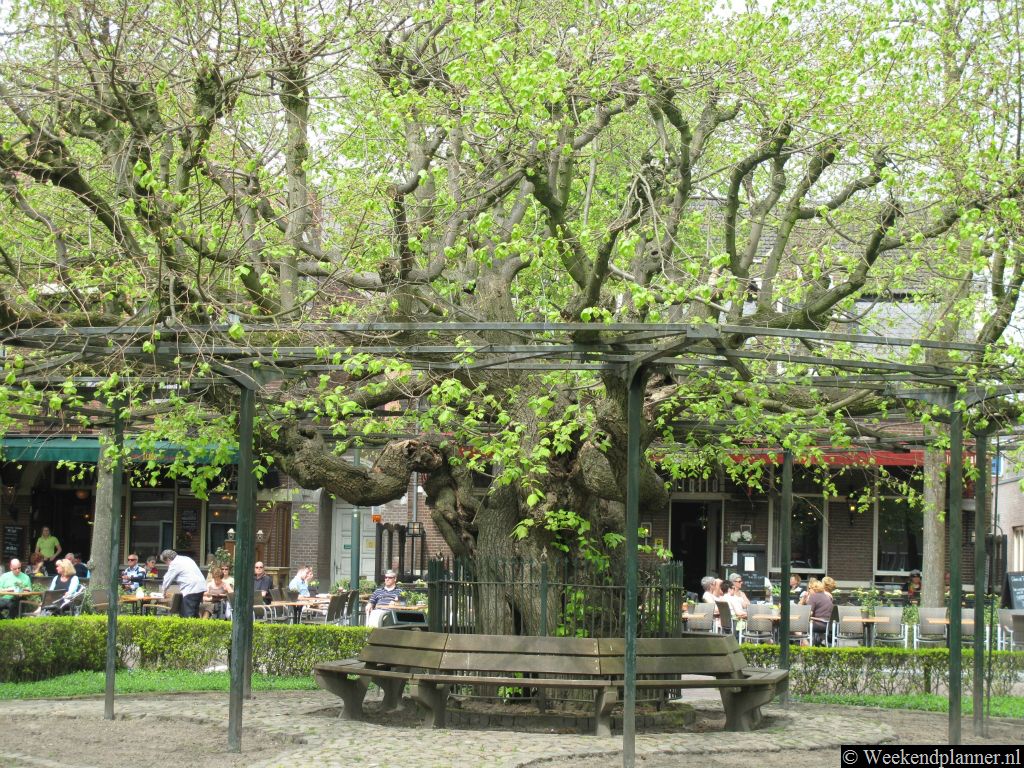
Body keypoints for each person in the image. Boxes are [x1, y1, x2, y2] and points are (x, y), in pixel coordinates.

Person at [160, 549, 208, 618]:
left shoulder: (174, 563)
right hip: (201, 587)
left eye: (166, 563)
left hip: (191, 589)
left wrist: (163, 591)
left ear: (168, 559)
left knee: (188, 614)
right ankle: (197, 627)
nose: (167, 565)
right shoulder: (186, 558)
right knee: (194, 611)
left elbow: (167, 579)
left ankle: (189, 628)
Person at [807, 578, 833, 646]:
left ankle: (805, 643)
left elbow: (808, 613)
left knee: (797, 625)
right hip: (828, 625)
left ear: (814, 589)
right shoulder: (827, 596)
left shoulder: (813, 596)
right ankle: (816, 642)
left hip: (817, 625)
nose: (808, 590)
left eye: (809, 588)